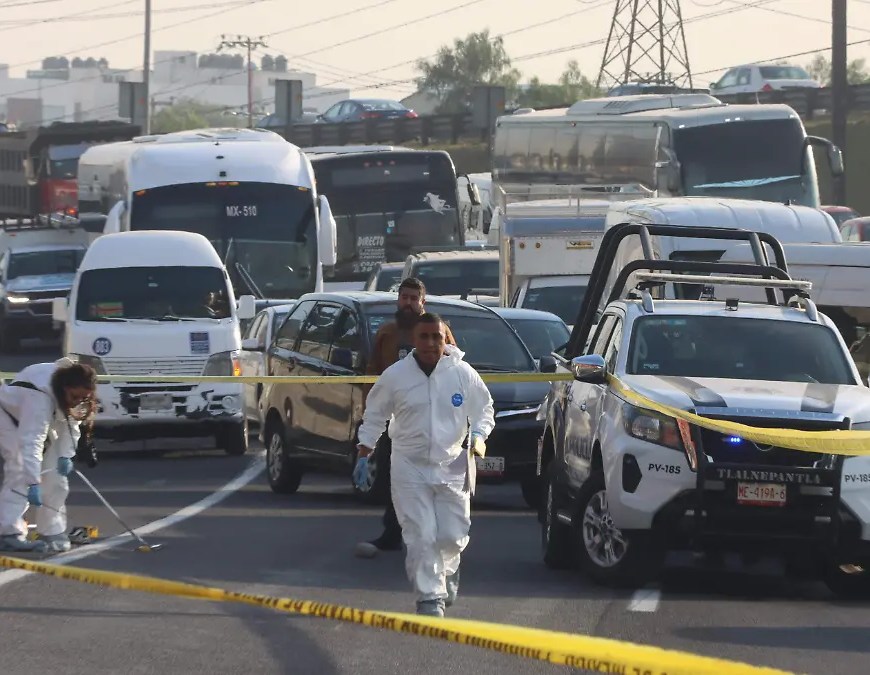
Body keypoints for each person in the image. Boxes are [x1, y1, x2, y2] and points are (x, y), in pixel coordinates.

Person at [355, 313, 494, 616]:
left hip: (453, 463)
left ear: (446, 339)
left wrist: (479, 435)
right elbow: (375, 415)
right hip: (409, 465)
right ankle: (429, 597)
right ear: (414, 340)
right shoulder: (396, 376)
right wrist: (364, 453)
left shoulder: (463, 373)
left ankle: (447, 571)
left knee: (451, 536)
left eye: (437, 337)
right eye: (424, 337)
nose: (431, 343)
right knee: (420, 534)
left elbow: (484, 410)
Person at [354, 277, 456, 558]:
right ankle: (392, 533)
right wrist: (370, 415)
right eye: (404, 298)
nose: (408, 303)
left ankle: (435, 536)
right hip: (396, 422)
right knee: (395, 480)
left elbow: (456, 371)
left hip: (432, 422)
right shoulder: (387, 333)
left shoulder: (439, 331)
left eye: (414, 299)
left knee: (434, 481)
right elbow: (373, 374)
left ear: (423, 302)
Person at [0, 358, 98, 553]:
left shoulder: (74, 393)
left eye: (83, 398)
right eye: (74, 396)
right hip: (7, 417)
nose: (78, 401)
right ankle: (8, 533)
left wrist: (65, 455)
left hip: (42, 420)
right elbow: (32, 441)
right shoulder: (40, 399)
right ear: (64, 388)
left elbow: (72, 425)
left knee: (56, 478)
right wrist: (33, 482)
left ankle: (52, 531)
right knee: (19, 469)